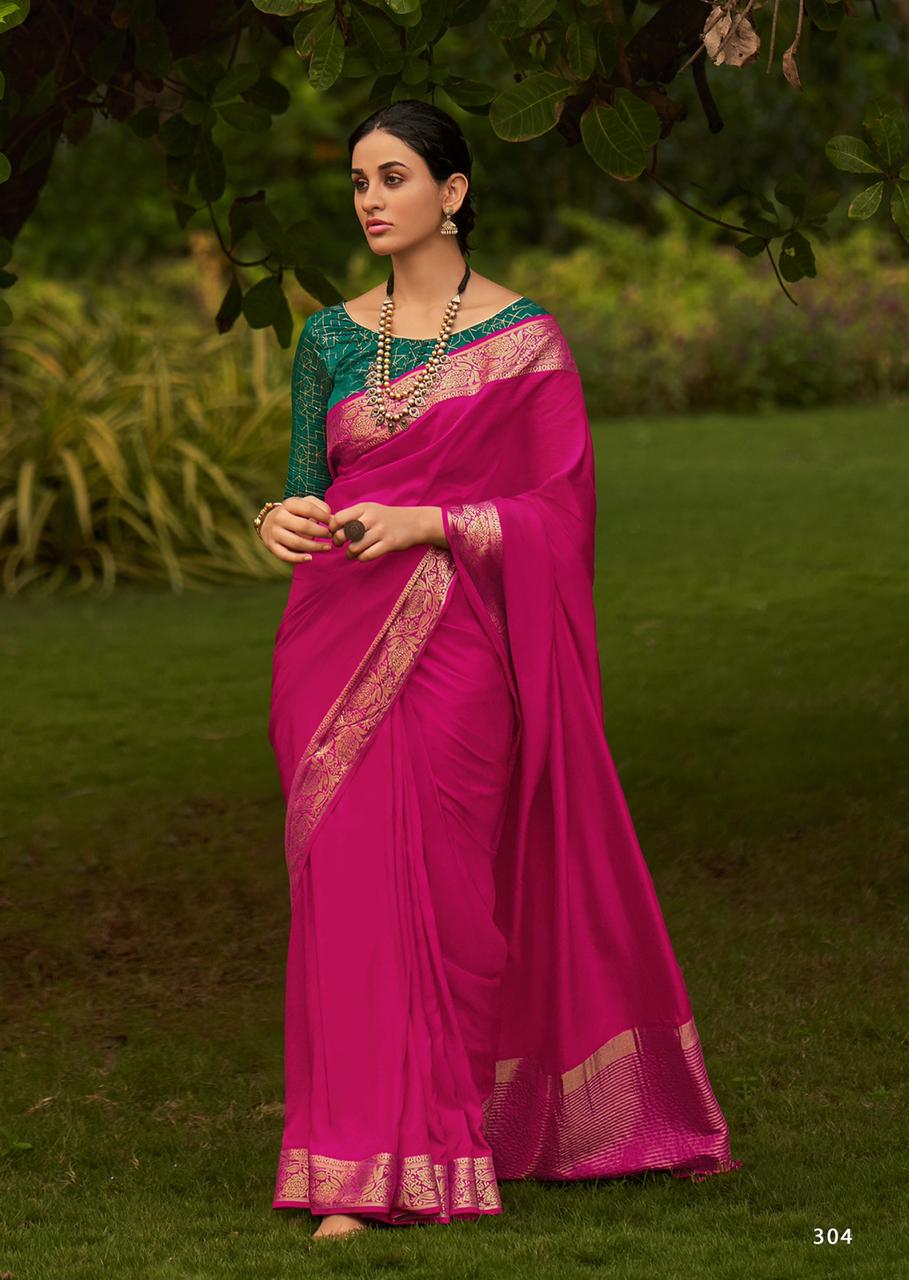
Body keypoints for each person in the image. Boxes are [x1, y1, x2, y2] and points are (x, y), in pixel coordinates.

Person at [255, 100, 742, 1241]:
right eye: (359, 181)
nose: (371, 199)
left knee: (449, 906)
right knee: (346, 905)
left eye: (394, 176)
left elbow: (559, 515)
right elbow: (305, 485)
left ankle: (436, 1143)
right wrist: (277, 518)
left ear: (454, 191)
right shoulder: (327, 338)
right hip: (329, 643)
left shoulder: (527, 341)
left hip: (461, 647)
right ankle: (354, 1164)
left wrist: (430, 520)